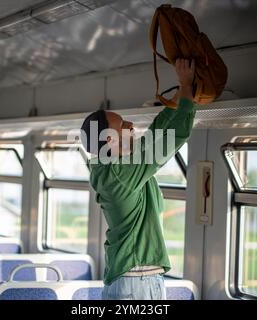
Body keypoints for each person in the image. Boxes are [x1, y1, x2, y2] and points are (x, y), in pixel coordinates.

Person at [80, 59, 198, 300]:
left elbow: (154, 135)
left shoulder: (114, 168)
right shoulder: (120, 174)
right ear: (111, 140)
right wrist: (186, 88)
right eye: (123, 125)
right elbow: (172, 139)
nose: (132, 125)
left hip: (133, 279)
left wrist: (179, 96)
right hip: (137, 281)